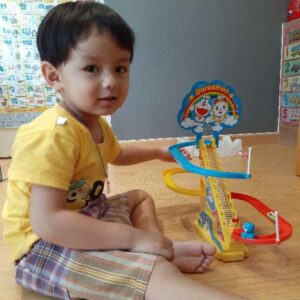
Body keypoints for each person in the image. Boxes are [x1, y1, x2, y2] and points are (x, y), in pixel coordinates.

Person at [2, 2, 246, 299]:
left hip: (86, 215)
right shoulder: (51, 135)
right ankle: (155, 266)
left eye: (120, 68)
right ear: (54, 76)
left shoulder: (95, 125)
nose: (110, 81)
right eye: (92, 68)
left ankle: (158, 249)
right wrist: (133, 238)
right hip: (45, 247)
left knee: (139, 198)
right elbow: (49, 221)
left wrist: (157, 150)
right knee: (153, 278)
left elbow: (116, 155)